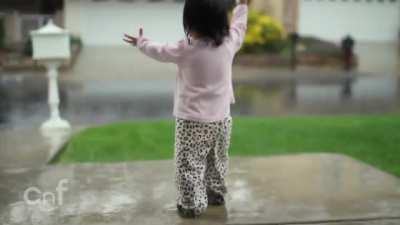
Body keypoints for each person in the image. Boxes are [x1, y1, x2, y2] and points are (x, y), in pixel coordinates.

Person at [123, 0, 249, 218]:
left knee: (188, 165)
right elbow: (239, 27)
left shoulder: (185, 49)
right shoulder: (229, 43)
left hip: (192, 121)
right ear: (220, 22)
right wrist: (242, 7)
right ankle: (215, 194)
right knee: (216, 160)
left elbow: (159, 50)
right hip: (222, 120)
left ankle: (191, 204)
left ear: (190, 22)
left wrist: (141, 42)